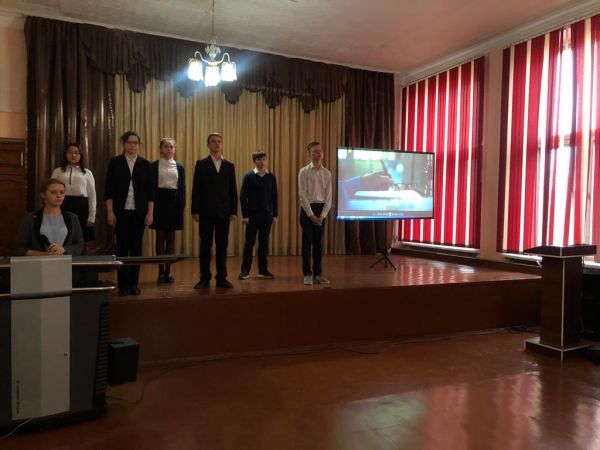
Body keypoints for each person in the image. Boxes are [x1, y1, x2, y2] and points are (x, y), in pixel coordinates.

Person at [104, 131, 155, 296]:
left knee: (136, 248)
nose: (133, 145)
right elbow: (109, 190)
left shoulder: (145, 164)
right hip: (121, 212)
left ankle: (134, 283)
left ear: (139, 145)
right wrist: (110, 212)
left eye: (136, 143)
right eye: (130, 142)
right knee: (122, 247)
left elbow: (150, 192)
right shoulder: (115, 162)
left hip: (139, 213)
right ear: (124, 144)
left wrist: (150, 214)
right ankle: (123, 284)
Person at [191, 133, 238, 289]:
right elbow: (196, 189)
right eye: (213, 142)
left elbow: (233, 190)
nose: (217, 144)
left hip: (224, 212)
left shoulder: (229, 166)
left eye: (219, 142)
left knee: (222, 246)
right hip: (206, 212)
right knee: (205, 246)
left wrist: (233, 211)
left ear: (222, 144)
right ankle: (204, 278)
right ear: (208, 144)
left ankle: (221, 278)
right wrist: (195, 210)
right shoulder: (201, 164)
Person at [14, 178, 84, 256]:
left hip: (65, 262)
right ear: (43, 195)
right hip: (38, 262)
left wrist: (64, 249)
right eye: (53, 192)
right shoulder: (30, 218)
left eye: (62, 192)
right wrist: (44, 254)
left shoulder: (72, 218)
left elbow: (80, 245)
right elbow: (19, 249)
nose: (58, 195)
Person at [151, 138, 186, 283]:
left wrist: (181, 207)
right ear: (161, 149)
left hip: (174, 203)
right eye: (166, 146)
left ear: (174, 150)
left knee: (171, 238)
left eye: (171, 147)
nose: (169, 149)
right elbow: (150, 187)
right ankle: (160, 272)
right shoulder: (153, 166)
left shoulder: (179, 167)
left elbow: (182, 188)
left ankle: (168, 272)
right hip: (159, 202)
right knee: (160, 237)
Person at [238, 151, 278, 280]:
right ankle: (245, 271)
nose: (262, 162)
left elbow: (274, 197)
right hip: (252, 216)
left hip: (267, 215)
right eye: (259, 159)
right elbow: (243, 197)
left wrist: (275, 215)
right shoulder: (249, 176)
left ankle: (263, 270)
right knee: (249, 243)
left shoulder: (271, 177)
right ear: (254, 161)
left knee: (264, 243)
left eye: (264, 159)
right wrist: (245, 215)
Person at [298, 141, 332, 285]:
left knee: (318, 244)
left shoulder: (327, 173)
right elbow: (302, 195)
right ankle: (307, 274)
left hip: (321, 210)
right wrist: (311, 215)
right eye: (315, 151)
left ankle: (318, 274)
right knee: (307, 243)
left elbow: (328, 198)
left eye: (320, 151)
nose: (318, 154)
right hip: (308, 210)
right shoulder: (304, 171)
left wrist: (322, 215)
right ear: (309, 154)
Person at [51, 143, 97, 242]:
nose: (73, 155)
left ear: (81, 155)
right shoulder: (58, 171)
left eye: (76, 152)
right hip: (63, 205)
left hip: (81, 207)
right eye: (70, 152)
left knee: (79, 238)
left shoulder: (87, 173)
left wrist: (91, 217)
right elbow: (51, 191)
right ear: (65, 154)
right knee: (62, 237)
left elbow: (92, 196)